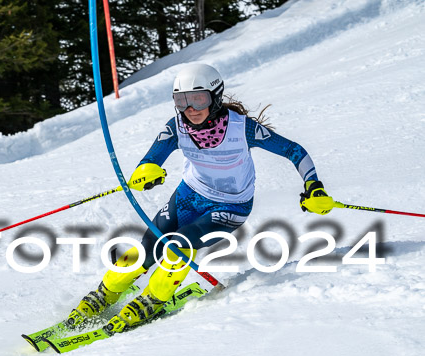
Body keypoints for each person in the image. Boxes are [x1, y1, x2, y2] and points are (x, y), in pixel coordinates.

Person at [67, 62, 335, 335]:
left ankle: (154, 298)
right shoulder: (176, 128)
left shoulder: (243, 129)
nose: (190, 109)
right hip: (188, 196)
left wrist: (314, 186)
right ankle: (105, 292)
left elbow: (294, 150)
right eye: (181, 101)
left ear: (215, 97)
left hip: (230, 206)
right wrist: (146, 171)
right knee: (148, 246)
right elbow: (150, 159)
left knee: (178, 244)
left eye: (198, 99)